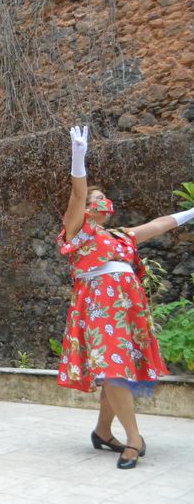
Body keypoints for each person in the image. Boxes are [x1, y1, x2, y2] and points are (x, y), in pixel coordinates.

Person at [57, 125, 192, 469]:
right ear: (87, 208)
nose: (100, 201)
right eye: (94, 199)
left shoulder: (122, 235)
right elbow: (76, 194)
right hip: (98, 307)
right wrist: (78, 157)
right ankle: (134, 439)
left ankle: (103, 432)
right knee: (114, 366)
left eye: (103, 198)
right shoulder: (78, 230)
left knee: (117, 368)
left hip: (127, 308)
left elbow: (161, 224)